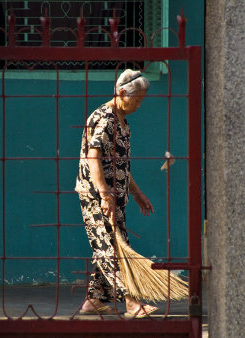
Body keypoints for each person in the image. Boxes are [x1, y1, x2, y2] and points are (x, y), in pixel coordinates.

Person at [75, 69, 158, 318]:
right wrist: (104, 194)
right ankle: (132, 302)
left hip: (115, 197)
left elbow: (121, 165)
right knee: (111, 247)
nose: (139, 105)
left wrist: (136, 193)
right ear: (122, 93)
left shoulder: (123, 122)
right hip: (97, 196)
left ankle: (95, 300)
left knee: (109, 243)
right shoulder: (105, 118)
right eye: (137, 99)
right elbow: (93, 156)